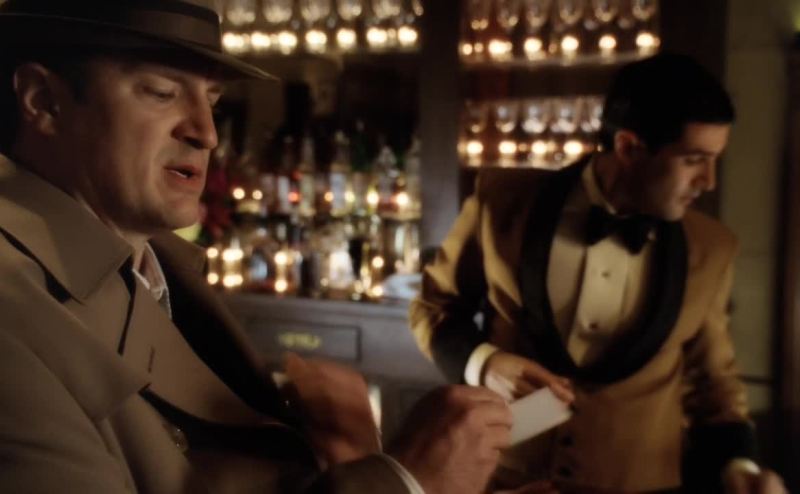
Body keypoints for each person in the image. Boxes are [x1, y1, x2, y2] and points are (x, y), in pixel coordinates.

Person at [0, 1, 517, 493]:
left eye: (212, 101)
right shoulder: (15, 307)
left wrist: (343, 455)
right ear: (43, 101)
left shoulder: (162, 269)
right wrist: (404, 482)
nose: (207, 133)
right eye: (161, 92)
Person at [410, 53, 787, 494]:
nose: (709, 180)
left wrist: (739, 466)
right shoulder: (501, 201)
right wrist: (484, 363)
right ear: (628, 148)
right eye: (693, 160)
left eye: (715, 159)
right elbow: (434, 307)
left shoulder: (712, 248)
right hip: (504, 479)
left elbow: (713, 382)